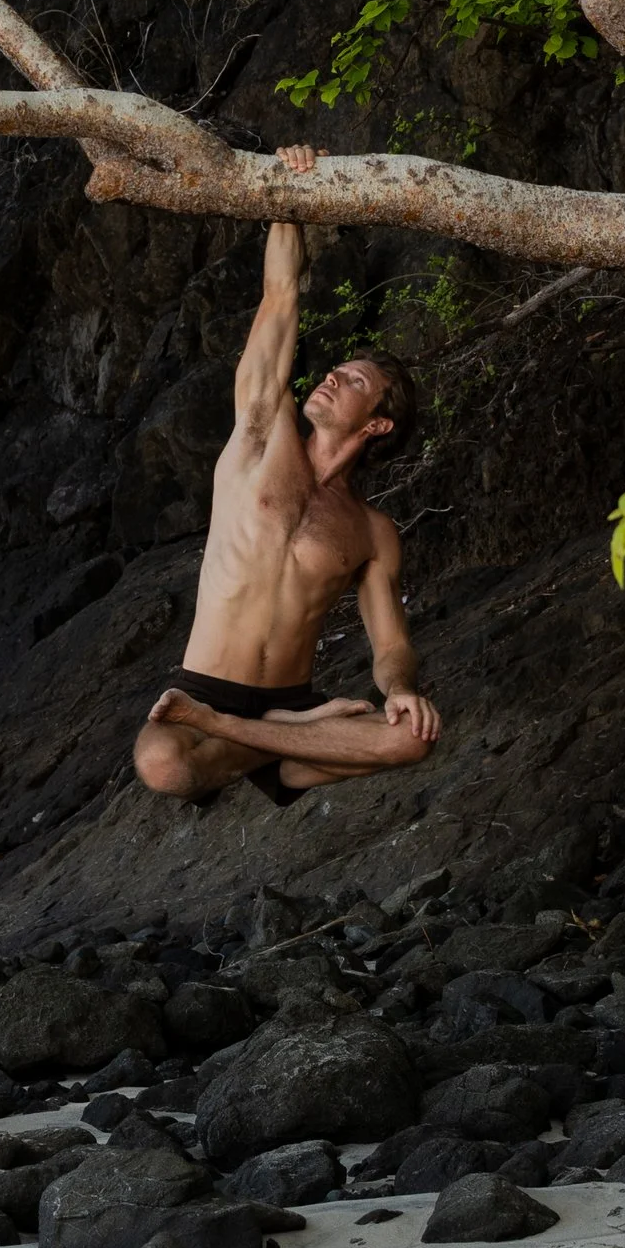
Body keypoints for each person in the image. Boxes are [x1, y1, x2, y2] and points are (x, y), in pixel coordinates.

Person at [133, 150, 439, 806]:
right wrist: (286, 193)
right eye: (339, 368)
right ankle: (276, 739)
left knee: (410, 740)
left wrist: (402, 690)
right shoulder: (257, 435)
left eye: (356, 381)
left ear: (378, 425)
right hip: (207, 684)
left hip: (287, 700)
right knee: (164, 767)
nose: (332, 375)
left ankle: (255, 733)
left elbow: (391, 646)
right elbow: (279, 298)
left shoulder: (371, 531)